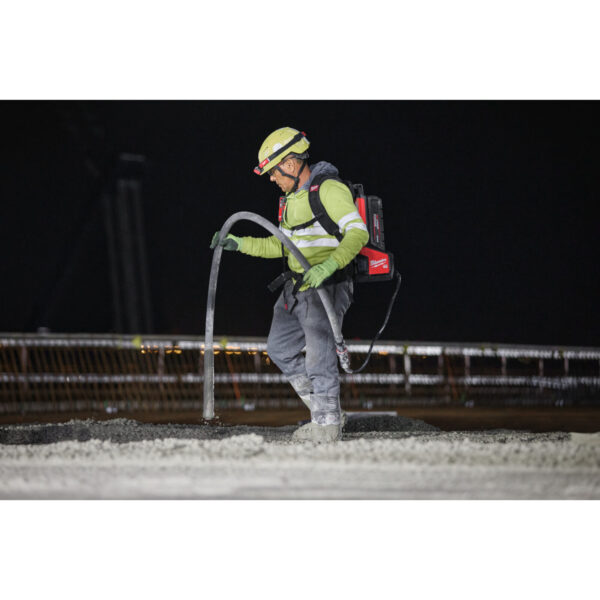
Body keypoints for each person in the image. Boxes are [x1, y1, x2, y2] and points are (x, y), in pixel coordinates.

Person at [211, 127, 369, 442]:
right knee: (280, 348)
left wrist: (329, 265)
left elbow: (358, 232)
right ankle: (326, 409)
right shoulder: (289, 201)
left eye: (273, 171)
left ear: (291, 164)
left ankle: (327, 425)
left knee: (319, 354)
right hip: (296, 288)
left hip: (327, 285)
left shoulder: (329, 190)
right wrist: (239, 244)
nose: (272, 178)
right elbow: (281, 247)